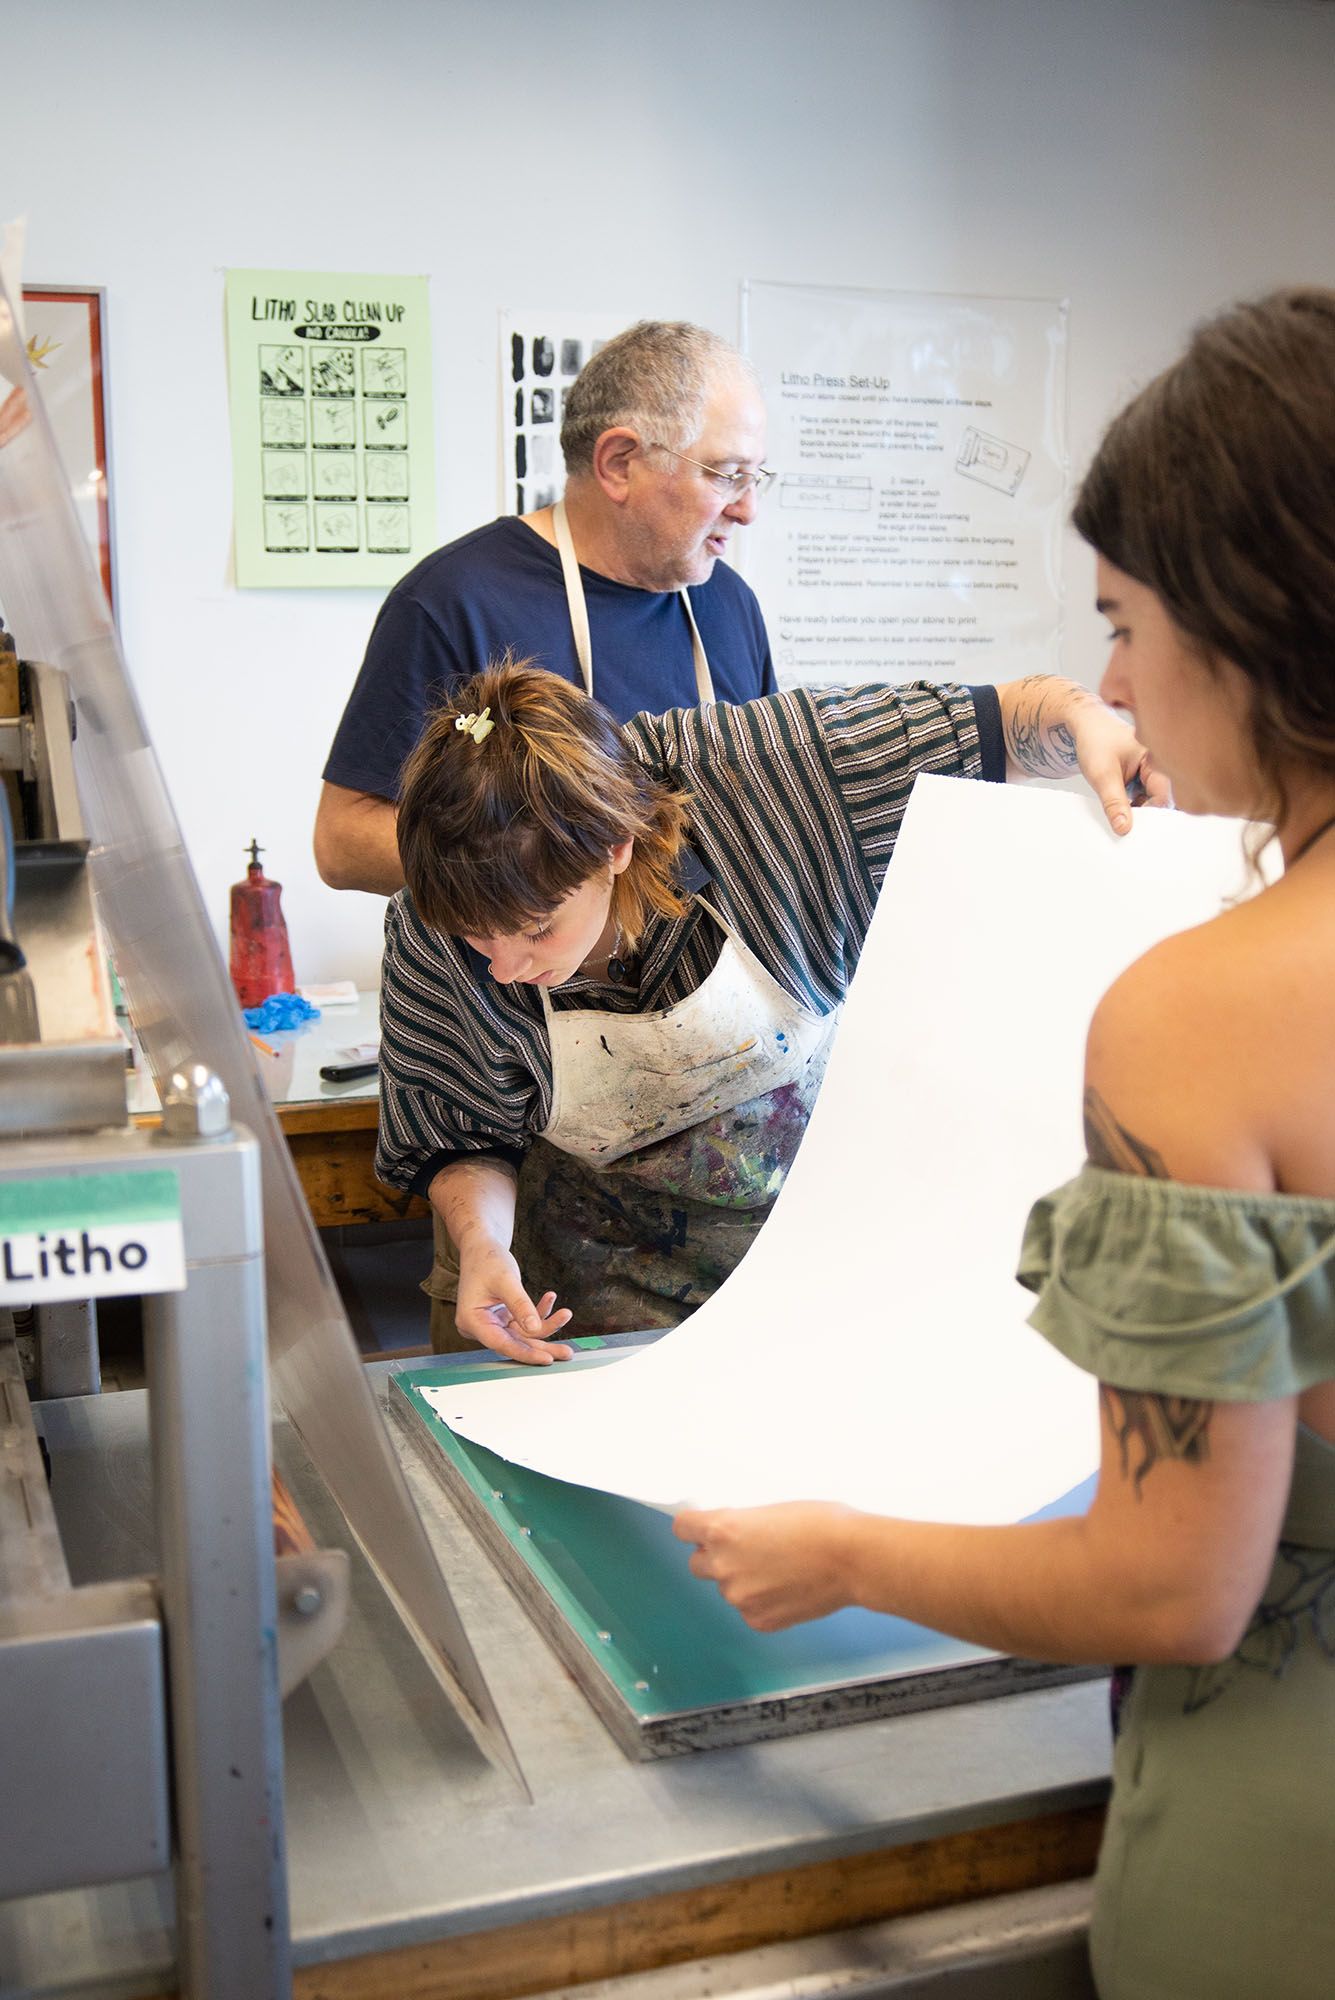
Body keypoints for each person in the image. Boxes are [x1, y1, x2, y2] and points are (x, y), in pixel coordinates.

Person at [674, 289, 1335, 2000]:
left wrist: (832, 1553)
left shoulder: (1203, 1012)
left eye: (1125, 624)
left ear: (1253, 616)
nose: (1113, 684)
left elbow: (1175, 1581)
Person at [376, 654, 1160, 1358]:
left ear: (615, 846)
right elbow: (462, 1137)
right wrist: (483, 1247)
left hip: (805, 1258)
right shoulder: (429, 929)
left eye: (537, 929)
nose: (506, 968)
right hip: (586, 1300)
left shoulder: (776, 777)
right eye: (479, 940)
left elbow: (1008, 719)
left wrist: (1091, 724)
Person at [313, 320, 778, 898]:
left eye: (755, 478)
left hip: (704, 984)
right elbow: (343, 842)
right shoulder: (455, 602)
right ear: (619, 463)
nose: (748, 510)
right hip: (516, 985)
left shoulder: (730, 609)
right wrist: (547, 871)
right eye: (727, 476)